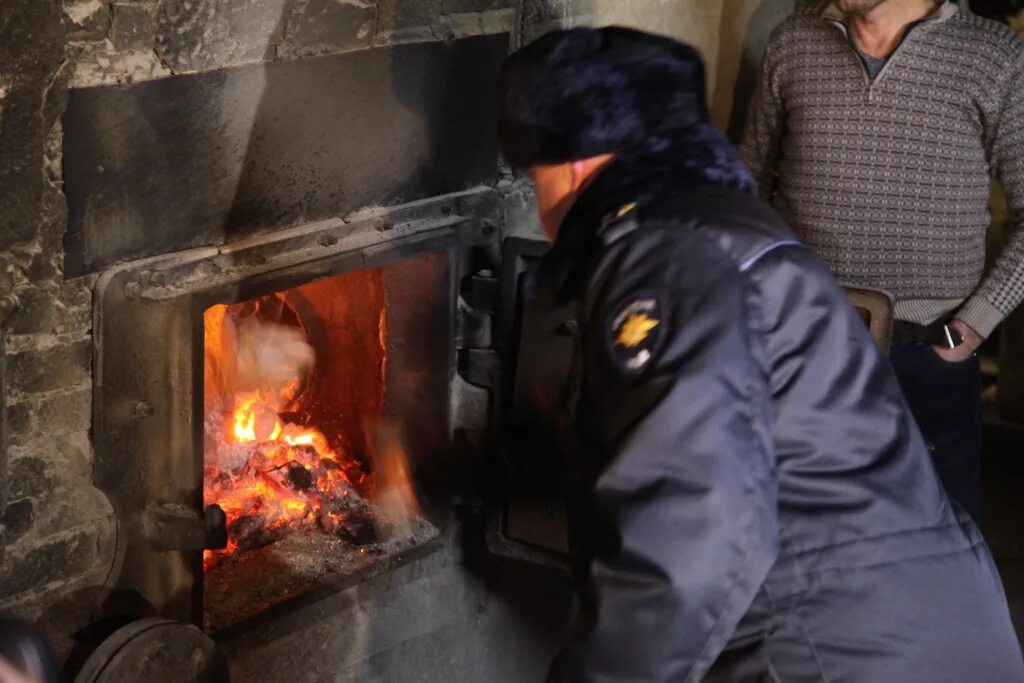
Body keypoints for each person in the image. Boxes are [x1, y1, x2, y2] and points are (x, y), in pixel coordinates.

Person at [497, 26, 1024, 682]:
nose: (539, 202)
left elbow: (691, 534)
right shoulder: (726, 230)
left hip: (834, 650)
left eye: (533, 175)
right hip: (921, 624)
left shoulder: (664, 259)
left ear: (575, 163)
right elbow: (722, 451)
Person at [740, 0, 1024, 522]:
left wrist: (970, 331)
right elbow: (747, 186)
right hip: (800, 347)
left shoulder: (995, 57)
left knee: (931, 551)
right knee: (784, 541)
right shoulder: (793, 42)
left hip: (927, 361)